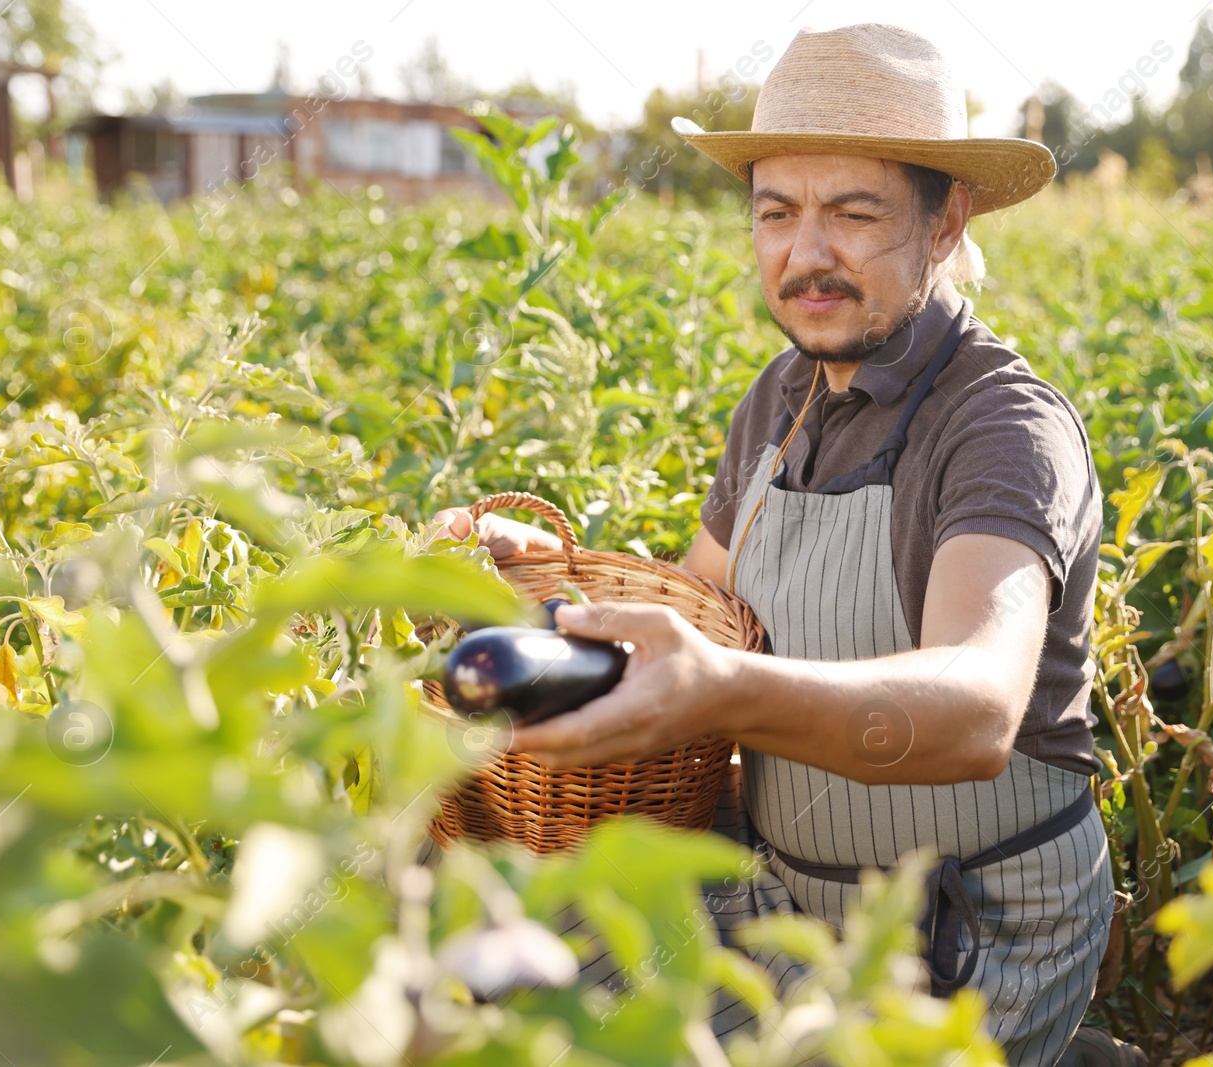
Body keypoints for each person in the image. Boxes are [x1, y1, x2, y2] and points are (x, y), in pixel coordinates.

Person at [434, 23, 1140, 1067]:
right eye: (777, 213)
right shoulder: (782, 398)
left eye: (853, 214)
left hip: (967, 938)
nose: (806, 254)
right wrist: (535, 576)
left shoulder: (999, 427)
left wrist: (723, 690)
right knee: (503, 955)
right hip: (793, 893)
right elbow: (696, 607)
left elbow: (978, 706)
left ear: (944, 220)